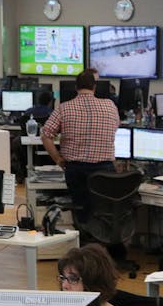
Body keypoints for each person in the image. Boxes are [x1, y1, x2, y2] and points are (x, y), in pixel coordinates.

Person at [40, 70, 120, 214]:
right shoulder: (110, 106)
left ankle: (81, 232)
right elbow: (115, 127)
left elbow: (46, 135)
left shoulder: (64, 108)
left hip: (76, 170)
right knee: (103, 208)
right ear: (94, 87)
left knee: (81, 209)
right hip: (105, 171)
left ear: (75, 87)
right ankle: (99, 232)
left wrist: (58, 159)